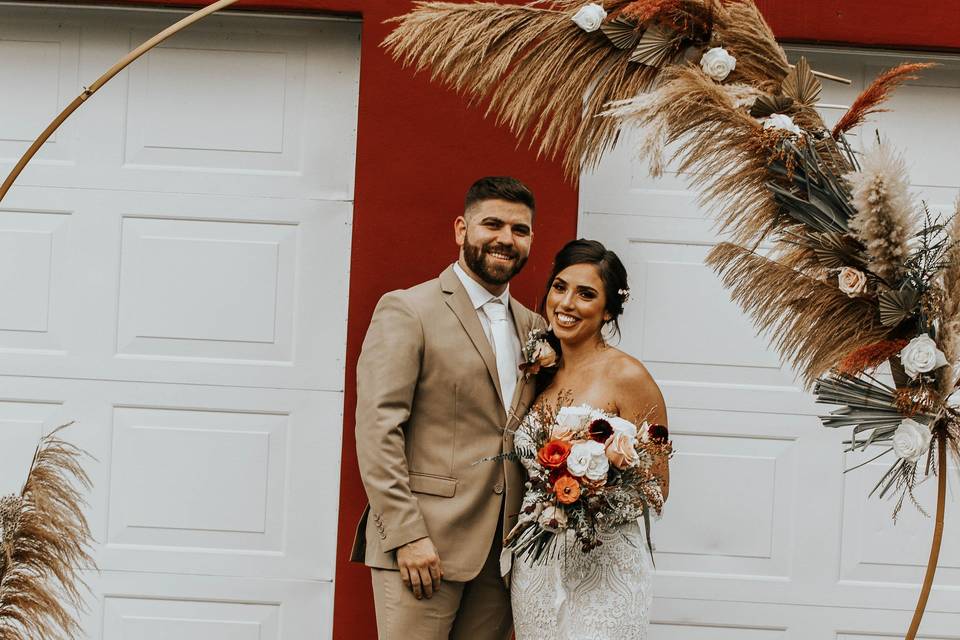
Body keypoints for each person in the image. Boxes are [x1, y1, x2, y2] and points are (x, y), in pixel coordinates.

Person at [351, 176, 545, 639]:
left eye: (520, 230)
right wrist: (407, 536)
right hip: (424, 548)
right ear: (461, 229)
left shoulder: (535, 327)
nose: (505, 239)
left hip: (502, 555)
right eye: (492, 224)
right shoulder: (408, 310)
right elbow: (378, 430)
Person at [510, 239, 671, 640]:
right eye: (560, 287)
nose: (566, 303)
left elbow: (657, 488)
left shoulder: (628, 376)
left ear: (609, 310)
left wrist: (589, 492)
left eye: (586, 294)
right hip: (536, 568)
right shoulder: (538, 372)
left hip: (604, 570)